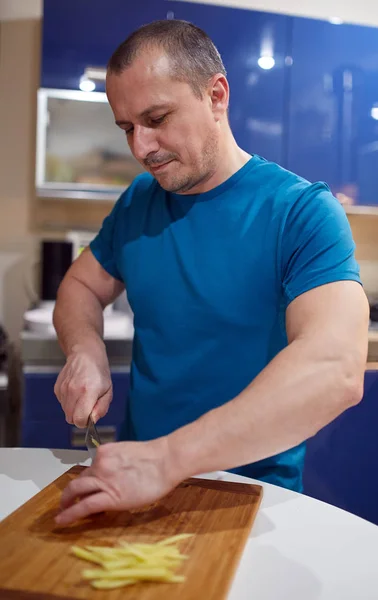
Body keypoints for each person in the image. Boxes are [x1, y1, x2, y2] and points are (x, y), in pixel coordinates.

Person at [53, 20, 369, 526]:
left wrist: (168, 459)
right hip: (134, 484)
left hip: (248, 497)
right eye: (128, 127)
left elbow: (335, 369)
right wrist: (84, 351)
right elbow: (81, 285)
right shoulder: (140, 200)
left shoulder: (300, 211)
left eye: (157, 118)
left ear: (216, 95)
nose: (141, 148)